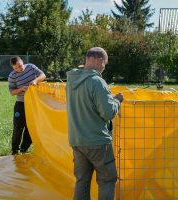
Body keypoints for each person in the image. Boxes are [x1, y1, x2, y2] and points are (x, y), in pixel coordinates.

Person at [66, 47, 123, 200]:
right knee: (107, 180)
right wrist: (117, 101)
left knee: (82, 181)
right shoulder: (97, 81)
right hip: (97, 142)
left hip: (77, 141)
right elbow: (108, 113)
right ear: (99, 60)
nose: (104, 67)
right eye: (105, 63)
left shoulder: (71, 80)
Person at [8, 56, 46, 155]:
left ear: (22, 62)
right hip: (20, 104)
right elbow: (12, 92)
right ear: (13, 68)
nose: (19, 69)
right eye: (16, 68)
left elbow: (43, 75)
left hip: (34, 103)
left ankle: (24, 149)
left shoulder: (31, 67)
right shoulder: (12, 76)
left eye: (20, 66)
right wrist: (21, 89)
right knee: (18, 127)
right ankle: (14, 150)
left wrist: (35, 81)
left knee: (31, 127)